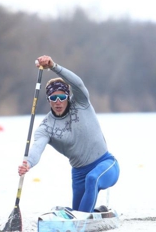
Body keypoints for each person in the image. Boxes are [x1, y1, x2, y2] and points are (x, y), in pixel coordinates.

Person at [18, 55, 120, 213]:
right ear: (49, 100)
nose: (58, 101)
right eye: (53, 98)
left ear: (68, 96)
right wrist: (28, 163)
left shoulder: (81, 102)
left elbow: (77, 83)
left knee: (92, 179)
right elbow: (38, 146)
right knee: (78, 211)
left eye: (61, 97)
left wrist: (53, 66)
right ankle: (96, 213)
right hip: (78, 174)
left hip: (106, 165)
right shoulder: (46, 127)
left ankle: (85, 218)